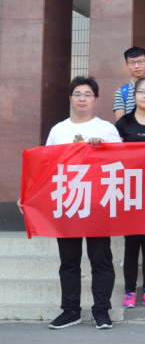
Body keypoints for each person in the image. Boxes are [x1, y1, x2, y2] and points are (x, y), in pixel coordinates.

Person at [20, 76, 122, 330]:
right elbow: (45, 167)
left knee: (101, 259)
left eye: (88, 94)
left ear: (96, 100)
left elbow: (123, 163)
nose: (82, 99)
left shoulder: (107, 129)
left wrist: (104, 148)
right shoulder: (58, 130)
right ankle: (70, 311)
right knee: (69, 261)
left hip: (97, 203)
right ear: (70, 99)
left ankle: (101, 311)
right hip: (68, 203)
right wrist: (29, 196)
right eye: (78, 94)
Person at [114, 77, 145, 311]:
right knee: (131, 246)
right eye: (141, 92)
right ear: (133, 96)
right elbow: (113, 154)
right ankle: (129, 292)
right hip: (130, 192)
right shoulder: (123, 123)